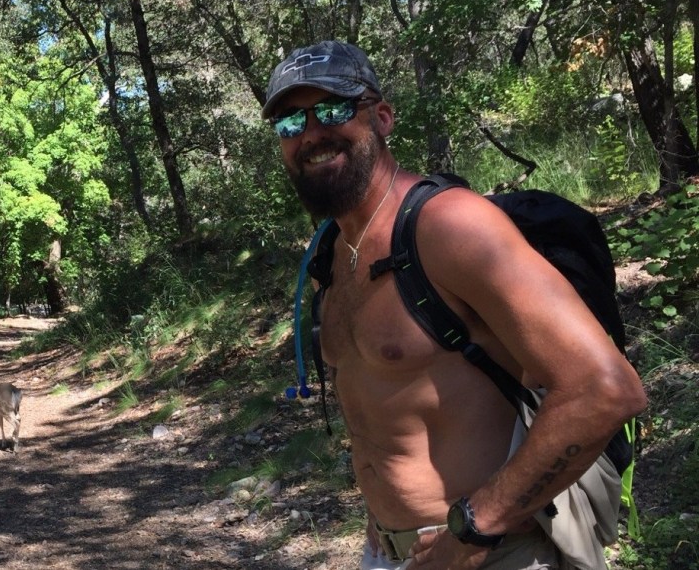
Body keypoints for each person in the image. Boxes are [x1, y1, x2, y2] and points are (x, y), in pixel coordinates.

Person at [262, 40, 647, 569]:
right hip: (390, 551)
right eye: (289, 122)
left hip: (493, 551)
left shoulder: (448, 226)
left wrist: (471, 532)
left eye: (331, 110)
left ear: (382, 117)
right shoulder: (332, 254)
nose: (310, 133)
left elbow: (605, 389)